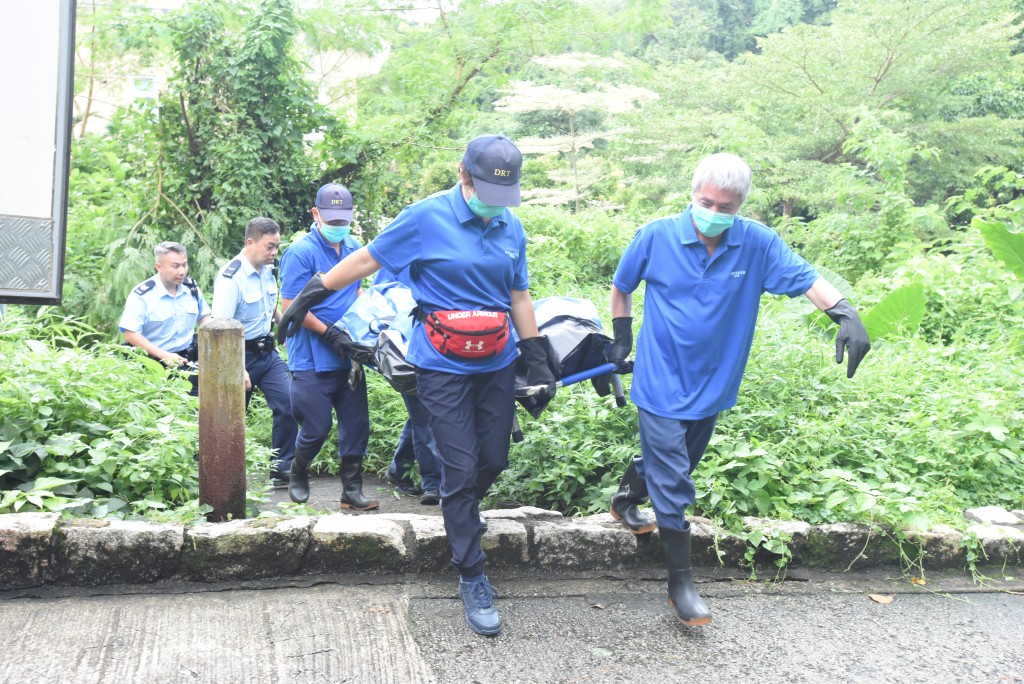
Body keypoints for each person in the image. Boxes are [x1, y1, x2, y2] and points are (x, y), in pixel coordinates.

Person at [277, 134, 557, 637]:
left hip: (495, 359)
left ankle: (462, 514)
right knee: (458, 465)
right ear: (464, 175)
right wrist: (308, 296)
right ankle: (471, 571)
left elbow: (519, 293)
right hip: (442, 365)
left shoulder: (510, 225)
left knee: (493, 459)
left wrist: (536, 358)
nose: (496, 208)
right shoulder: (425, 217)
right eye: (488, 194)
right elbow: (366, 260)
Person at [605, 152, 870, 627]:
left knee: (678, 462)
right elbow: (622, 286)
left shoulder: (756, 243)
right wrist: (621, 333)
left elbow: (807, 278)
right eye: (706, 202)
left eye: (725, 207)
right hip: (660, 376)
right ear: (692, 195)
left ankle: (625, 497)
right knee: (674, 481)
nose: (713, 213)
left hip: (715, 379)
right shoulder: (656, 236)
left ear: (740, 207)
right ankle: (680, 584)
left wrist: (845, 312)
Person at [279, 183, 377, 511]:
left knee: (357, 425)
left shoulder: (354, 247)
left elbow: (356, 293)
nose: (338, 227)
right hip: (311, 358)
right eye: (331, 220)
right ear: (316, 214)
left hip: (348, 356)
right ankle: (298, 470)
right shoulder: (301, 251)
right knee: (316, 427)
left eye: (343, 220)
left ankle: (352, 490)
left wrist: (369, 322)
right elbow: (292, 304)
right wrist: (329, 332)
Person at [211, 218, 298, 487]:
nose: (274, 252)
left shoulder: (266, 270)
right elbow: (220, 328)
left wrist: (285, 327)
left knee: (290, 403)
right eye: (269, 246)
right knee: (232, 418)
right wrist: (237, 367)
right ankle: (222, 475)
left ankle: (282, 469)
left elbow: (270, 305)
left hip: (266, 353)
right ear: (251, 243)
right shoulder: (231, 277)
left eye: (276, 247)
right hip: (238, 354)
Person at [374, 265, 443, 507]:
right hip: (408, 349)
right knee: (425, 418)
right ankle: (432, 483)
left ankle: (399, 469)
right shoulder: (398, 256)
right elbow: (379, 297)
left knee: (421, 416)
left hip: (445, 345)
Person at [120, 241, 209, 395]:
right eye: (175, 266)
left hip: (187, 363)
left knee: (195, 412)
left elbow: (205, 319)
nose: (182, 271)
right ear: (159, 266)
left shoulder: (191, 288)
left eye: (184, 265)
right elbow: (130, 332)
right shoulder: (143, 295)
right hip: (152, 366)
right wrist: (164, 355)